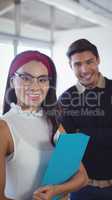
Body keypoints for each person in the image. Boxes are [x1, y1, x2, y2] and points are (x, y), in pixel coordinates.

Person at [0, 50, 88, 200]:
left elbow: (82, 176)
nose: (35, 87)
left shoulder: (53, 122)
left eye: (42, 80)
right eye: (26, 78)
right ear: (12, 81)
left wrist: (56, 190)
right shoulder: (4, 128)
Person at [58, 39, 112, 200]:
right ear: (70, 66)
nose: (84, 70)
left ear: (98, 60)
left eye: (89, 62)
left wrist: (82, 133)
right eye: (77, 64)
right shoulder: (66, 98)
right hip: (81, 188)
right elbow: (68, 148)